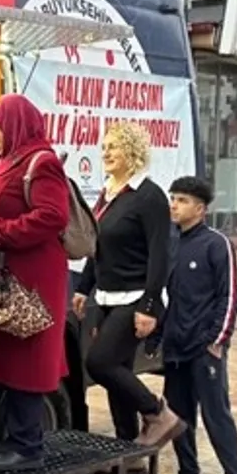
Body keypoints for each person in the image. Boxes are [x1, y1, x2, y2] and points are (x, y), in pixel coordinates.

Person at [0, 94, 70, 470]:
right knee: (9, 359)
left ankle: (28, 446)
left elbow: (53, 216)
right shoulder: (6, 159)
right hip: (5, 281)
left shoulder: (42, 162)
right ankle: (16, 439)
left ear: (14, 125)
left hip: (30, 282)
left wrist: (0, 230)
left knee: (27, 362)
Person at [73, 120, 185, 450]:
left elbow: (160, 255)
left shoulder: (149, 196)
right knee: (117, 377)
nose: (105, 152)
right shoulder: (109, 192)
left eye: (114, 147)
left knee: (100, 363)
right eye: (104, 147)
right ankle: (129, 450)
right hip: (106, 297)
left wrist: (149, 306)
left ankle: (158, 413)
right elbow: (97, 244)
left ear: (133, 151)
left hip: (135, 298)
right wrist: (83, 287)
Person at [161, 176, 237, 474]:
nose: (174, 205)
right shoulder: (172, 243)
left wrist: (217, 340)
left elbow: (230, 297)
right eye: (173, 198)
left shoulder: (217, 244)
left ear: (200, 209)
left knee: (216, 416)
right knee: (178, 415)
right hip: (176, 346)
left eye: (182, 200)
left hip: (205, 348)